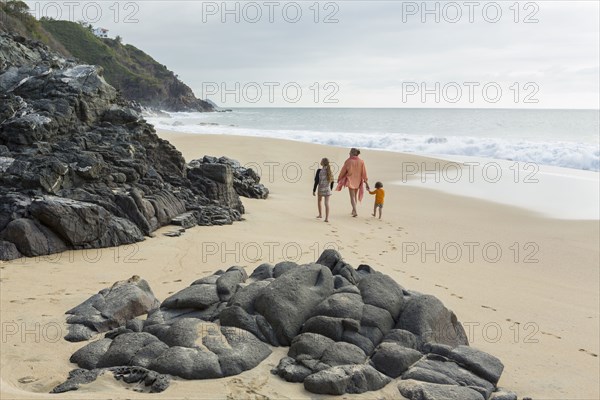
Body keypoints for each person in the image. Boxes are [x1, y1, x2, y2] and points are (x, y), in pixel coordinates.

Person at [336, 148, 367, 217]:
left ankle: (355, 211)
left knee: (352, 197)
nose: (349, 154)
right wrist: (365, 180)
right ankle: (353, 210)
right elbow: (364, 172)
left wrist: (339, 178)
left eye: (350, 152)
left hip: (350, 180)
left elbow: (343, 171)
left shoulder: (348, 161)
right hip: (358, 180)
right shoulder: (361, 161)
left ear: (353, 153)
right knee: (355, 196)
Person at [313, 158, 334, 222]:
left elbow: (316, 181)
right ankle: (327, 218)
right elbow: (332, 181)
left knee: (319, 201)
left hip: (320, 189)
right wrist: (330, 189)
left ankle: (320, 214)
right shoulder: (329, 171)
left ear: (322, 163)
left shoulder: (319, 171)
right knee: (326, 203)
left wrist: (314, 190)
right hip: (327, 189)